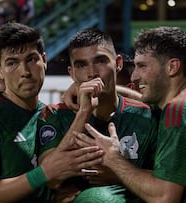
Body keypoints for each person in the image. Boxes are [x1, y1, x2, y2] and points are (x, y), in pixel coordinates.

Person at [75, 26, 186, 202]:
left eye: (142, 66)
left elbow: (164, 197)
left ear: (172, 67)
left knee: (94, 199)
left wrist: (113, 158)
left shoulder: (180, 110)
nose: (134, 76)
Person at [0, 22, 103, 203]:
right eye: (12, 63)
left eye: (31, 59)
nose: (24, 71)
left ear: (44, 61)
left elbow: (55, 175)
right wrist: (44, 174)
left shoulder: (48, 116)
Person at [37, 28, 156, 202]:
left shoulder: (146, 116)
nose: (91, 73)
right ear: (71, 73)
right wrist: (83, 112)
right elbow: (51, 179)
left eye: (100, 61)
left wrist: (119, 173)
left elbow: (167, 181)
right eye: (81, 65)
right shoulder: (54, 116)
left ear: (118, 63)